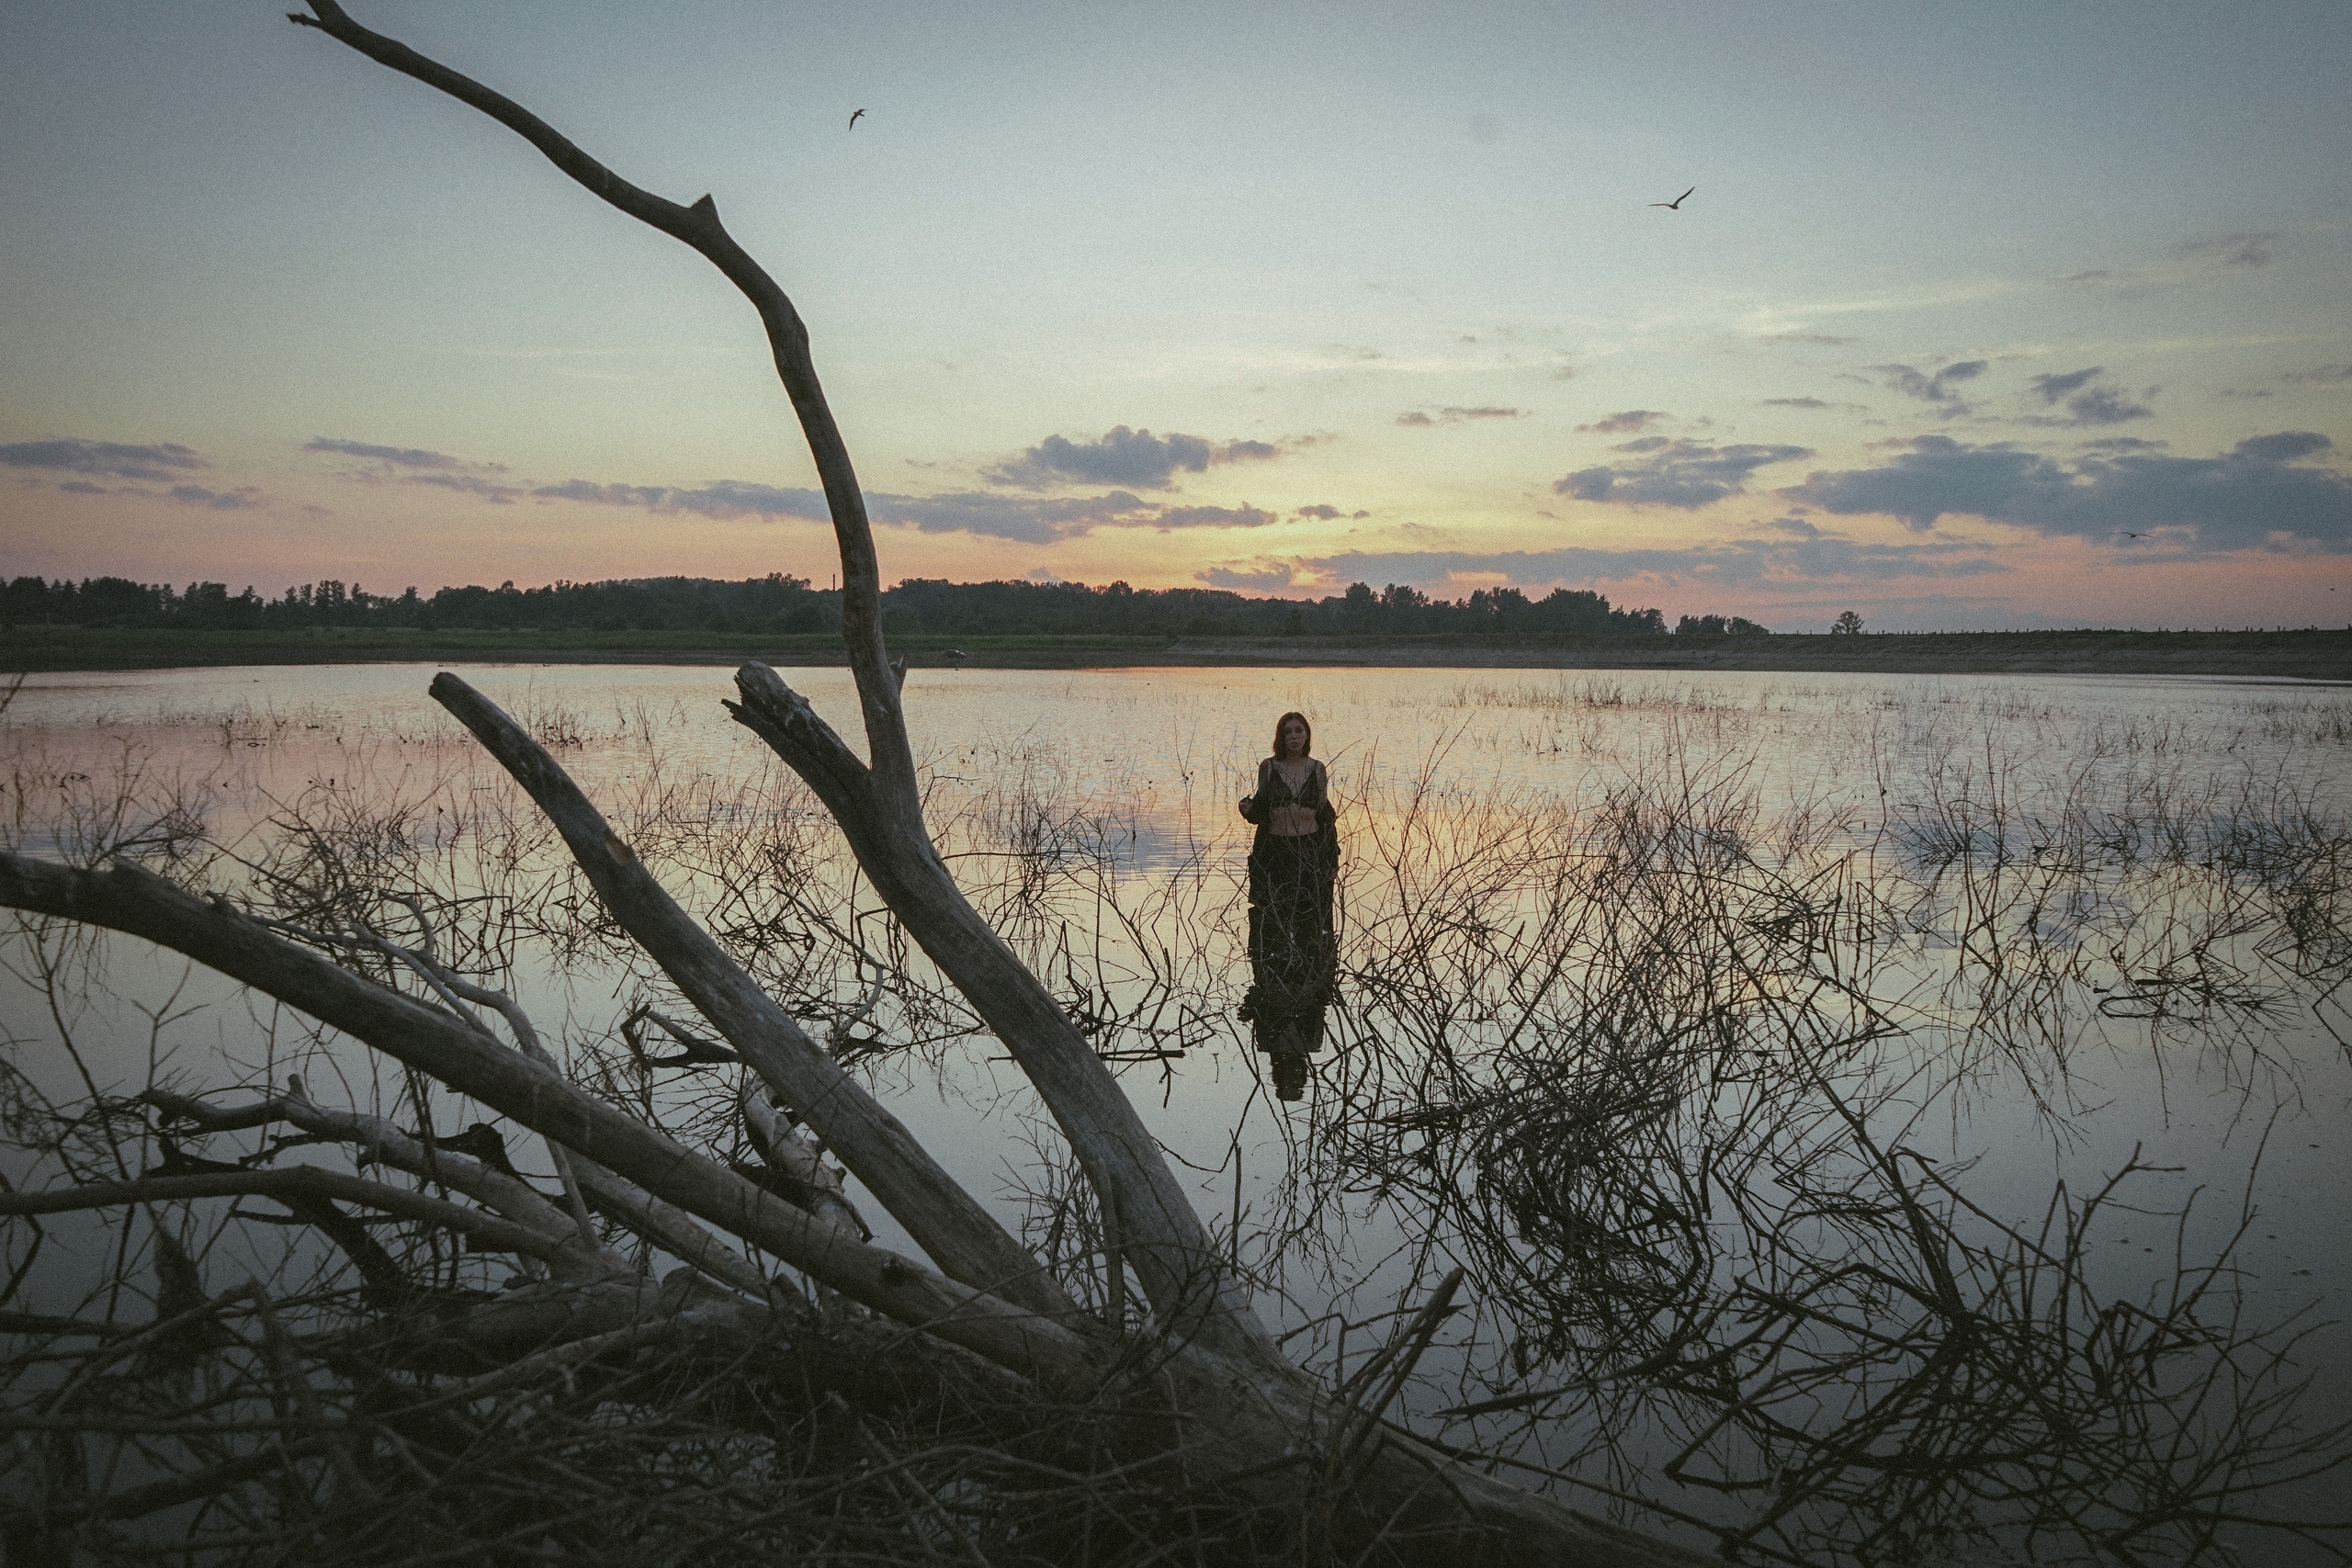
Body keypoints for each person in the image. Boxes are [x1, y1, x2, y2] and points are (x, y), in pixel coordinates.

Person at [1238, 711, 1339, 1100]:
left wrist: (1331, 861)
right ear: (1280, 736)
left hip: (1309, 852)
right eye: (1288, 731)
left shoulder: (1317, 769)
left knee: (1311, 921)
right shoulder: (1268, 767)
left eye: (1300, 731)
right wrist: (1247, 809)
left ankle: (1307, 962)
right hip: (1274, 853)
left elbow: (1326, 817)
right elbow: (1261, 814)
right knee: (1269, 921)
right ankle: (1273, 969)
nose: (1294, 736)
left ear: (1307, 736)